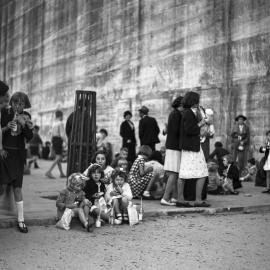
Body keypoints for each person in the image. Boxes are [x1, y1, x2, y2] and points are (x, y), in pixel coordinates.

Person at [0, 92, 33, 233]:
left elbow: (29, 137)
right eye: (15, 103)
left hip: (19, 155)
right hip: (5, 154)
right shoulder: (4, 113)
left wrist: (24, 124)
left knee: (17, 188)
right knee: (1, 187)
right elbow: (0, 131)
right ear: (11, 102)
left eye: (21, 104)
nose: (18, 106)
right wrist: (7, 127)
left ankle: (21, 220)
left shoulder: (27, 116)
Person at [177, 91, 210, 207]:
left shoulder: (187, 112)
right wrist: (202, 123)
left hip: (189, 147)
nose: (198, 102)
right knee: (202, 173)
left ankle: (181, 199)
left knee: (184, 173)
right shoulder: (188, 113)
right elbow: (190, 130)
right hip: (192, 147)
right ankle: (198, 200)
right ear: (193, 101)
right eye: (197, 100)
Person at [161, 96, 183, 206]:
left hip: (171, 146)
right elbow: (176, 131)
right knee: (174, 173)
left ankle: (174, 197)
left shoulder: (173, 113)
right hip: (174, 147)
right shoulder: (177, 114)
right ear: (181, 104)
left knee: (175, 173)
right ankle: (165, 198)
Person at [45, 110, 66, 179]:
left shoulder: (54, 124)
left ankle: (61, 173)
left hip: (54, 140)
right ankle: (49, 171)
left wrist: (51, 143)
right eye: (62, 116)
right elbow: (62, 135)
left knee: (58, 157)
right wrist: (66, 142)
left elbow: (50, 134)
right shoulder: (60, 123)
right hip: (58, 140)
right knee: (59, 157)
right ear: (61, 116)